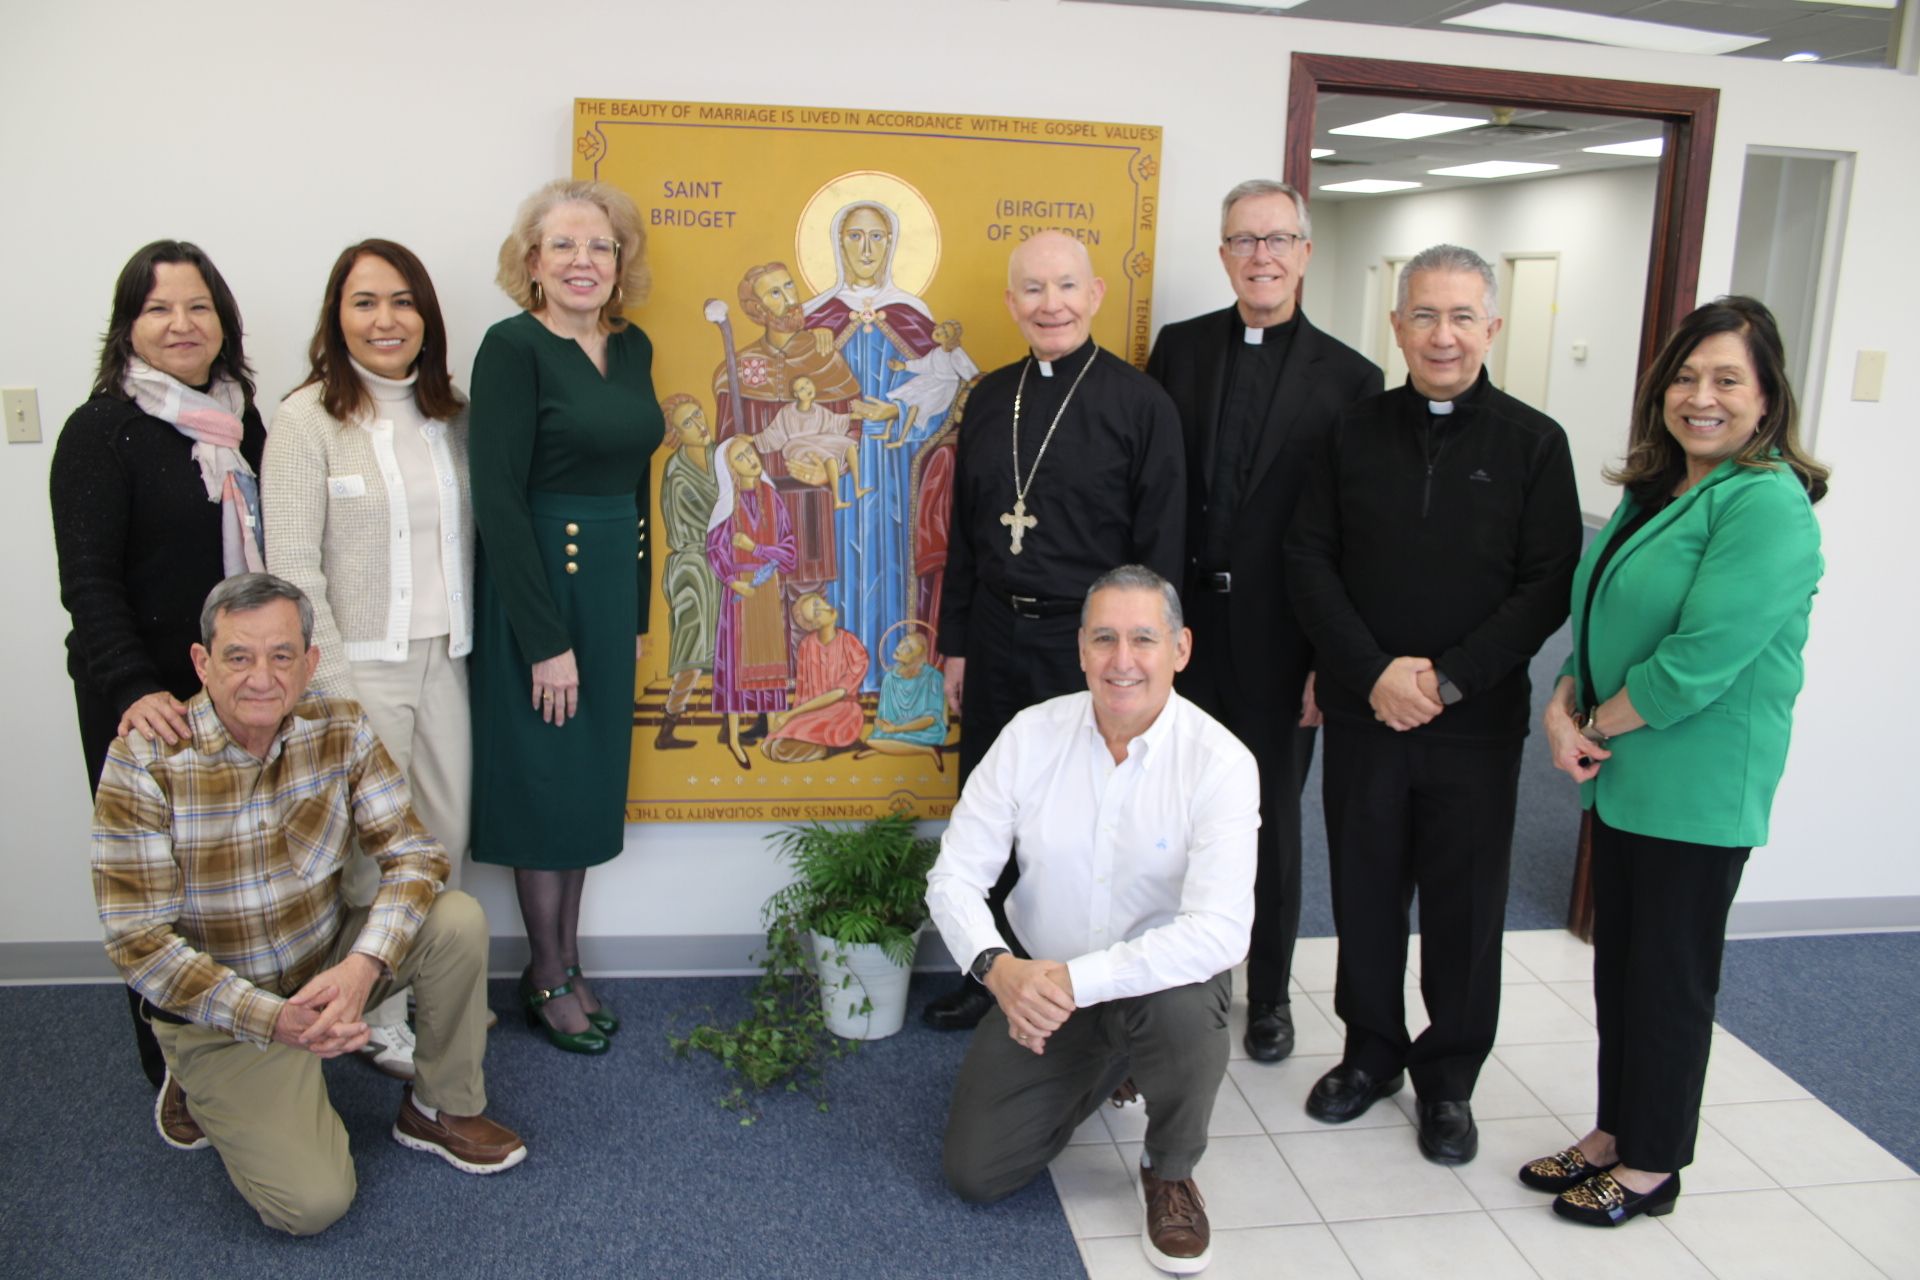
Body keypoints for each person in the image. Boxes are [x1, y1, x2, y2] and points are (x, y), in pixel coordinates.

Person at [92, 574, 523, 1236]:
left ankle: (440, 1110)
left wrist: (361, 970)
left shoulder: (340, 726)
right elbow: (138, 944)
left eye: (282, 655)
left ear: (310, 663)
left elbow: (416, 855)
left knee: (455, 919)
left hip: (322, 961)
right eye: (238, 656)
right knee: (313, 1205)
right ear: (202, 663)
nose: (261, 677)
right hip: (224, 1010)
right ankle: (198, 1081)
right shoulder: (144, 762)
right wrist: (275, 1021)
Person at [1521, 297, 1826, 1226]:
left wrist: (1593, 727)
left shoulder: (1768, 507)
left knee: (1669, 981)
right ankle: (1616, 1130)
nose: (1702, 397)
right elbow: (1607, 609)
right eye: (1686, 378)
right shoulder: (1667, 490)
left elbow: (1696, 660)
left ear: (1768, 399)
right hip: (1628, 780)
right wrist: (1564, 696)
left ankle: (1653, 1164)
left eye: (1728, 379)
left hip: (1695, 788)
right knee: (1624, 973)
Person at [1284, 244, 1581, 1165]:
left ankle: (1448, 1078)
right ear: (1396, 323)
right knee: (1367, 893)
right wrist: (1372, 673)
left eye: (1461, 317)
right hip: (1366, 715)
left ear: (1492, 327)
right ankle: (1370, 1053)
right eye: (1424, 315)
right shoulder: (1350, 431)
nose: (1442, 335)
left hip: (1475, 726)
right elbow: (1308, 560)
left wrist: (1447, 679)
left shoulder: (1535, 443)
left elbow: (1545, 586)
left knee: (1463, 908)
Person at [928, 566, 1257, 1276]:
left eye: (1144, 638)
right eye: (1104, 638)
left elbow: (1220, 932)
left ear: (1181, 648)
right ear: (1079, 650)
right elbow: (954, 875)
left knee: (1183, 1009)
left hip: (1157, 985)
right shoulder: (1029, 737)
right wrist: (998, 969)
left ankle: (1168, 1168)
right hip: (1044, 982)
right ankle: (1111, 1059)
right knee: (975, 1172)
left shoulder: (1222, 763)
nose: (1122, 660)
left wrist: (1075, 982)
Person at [924, 230, 1186, 1031]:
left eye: (1066, 287)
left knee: (1081, 817)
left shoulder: (1141, 404)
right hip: (998, 637)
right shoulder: (988, 396)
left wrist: (1140, 661)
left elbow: (1162, 547)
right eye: (1032, 290)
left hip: (1091, 650)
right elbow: (968, 537)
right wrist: (957, 643)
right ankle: (989, 969)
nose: (1051, 305)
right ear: (1011, 303)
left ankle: (1087, 980)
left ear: (1096, 294)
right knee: (993, 806)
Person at [1147, 179, 1382, 1063]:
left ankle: (1271, 993)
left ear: (1305, 254)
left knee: (1271, 822)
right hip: (1185, 629)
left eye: (1278, 239)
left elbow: (1354, 533)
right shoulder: (1179, 350)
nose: (1262, 256)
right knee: (1169, 811)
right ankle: (1174, 977)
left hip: (1285, 639)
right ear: (1223, 254)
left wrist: (1332, 658)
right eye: (1244, 241)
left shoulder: (1353, 378)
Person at [51, 239, 267, 1091]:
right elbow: (89, 580)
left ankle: (241, 1040)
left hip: (233, 690)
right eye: (157, 308)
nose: (181, 324)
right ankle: (171, 1068)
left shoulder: (241, 419)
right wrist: (138, 689)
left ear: (223, 322)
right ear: (127, 326)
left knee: (232, 878)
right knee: (158, 894)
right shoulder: (101, 428)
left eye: (198, 306)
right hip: (139, 696)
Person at [263, 239, 473, 1081]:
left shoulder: (449, 417)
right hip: (357, 671)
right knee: (368, 859)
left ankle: (429, 988)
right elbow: (291, 569)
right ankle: (372, 1014)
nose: (385, 320)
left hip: (445, 660)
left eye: (402, 301)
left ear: (426, 316)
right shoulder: (305, 419)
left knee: (446, 841)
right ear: (336, 317)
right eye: (364, 302)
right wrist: (336, 688)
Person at [469, 178, 664, 1054]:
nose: (584, 261)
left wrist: (633, 604)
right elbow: (499, 501)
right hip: (540, 586)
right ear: (532, 262)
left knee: (584, 783)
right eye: (564, 246)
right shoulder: (510, 348)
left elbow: (638, 483)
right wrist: (545, 640)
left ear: (620, 263)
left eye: (600, 246)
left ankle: (566, 959)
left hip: (606, 590)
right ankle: (544, 970)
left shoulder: (633, 348)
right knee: (545, 780)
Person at [706, 434, 798, 768]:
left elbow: (789, 551)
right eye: (741, 457)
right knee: (735, 662)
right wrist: (732, 581)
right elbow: (715, 548)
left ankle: (773, 724)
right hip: (741, 590)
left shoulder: (772, 497)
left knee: (771, 656)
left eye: (750, 451)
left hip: (767, 585)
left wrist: (756, 548)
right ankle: (732, 736)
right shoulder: (727, 504)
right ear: (730, 468)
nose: (750, 459)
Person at [655, 394, 722, 749]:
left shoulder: (719, 457)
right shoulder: (677, 473)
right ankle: (668, 727)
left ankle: (732, 722)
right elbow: (711, 517)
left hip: (723, 563)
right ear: (677, 434)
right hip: (694, 568)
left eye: (698, 415)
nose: (700, 425)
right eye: (688, 423)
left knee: (730, 645)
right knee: (693, 647)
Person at [762, 592, 870, 763]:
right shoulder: (807, 644)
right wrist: (796, 718)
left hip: (842, 713)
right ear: (814, 624)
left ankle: (832, 748)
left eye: (819, 602)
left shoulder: (851, 643)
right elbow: (803, 692)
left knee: (780, 749)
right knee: (768, 747)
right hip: (811, 711)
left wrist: (790, 715)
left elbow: (839, 693)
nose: (826, 607)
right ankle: (829, 746)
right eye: (817, 612)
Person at [753, 374, 871, 508]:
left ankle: (858, 489)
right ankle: (837, 500)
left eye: (808, 383)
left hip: (816, 440)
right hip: (796, 445)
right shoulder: (787, 411)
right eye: (802, 388)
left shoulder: (818, 409)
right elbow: (774, 434)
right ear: (796, 394)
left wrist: (851, 417)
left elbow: (834, 422)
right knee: (830, 459)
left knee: (850, 445)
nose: (807, 389)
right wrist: (753, 439)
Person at [855, 627, 948, 768]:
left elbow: (931, 718)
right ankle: (888, 748)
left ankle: (928, 749)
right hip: (896, 727)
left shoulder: (932, 677)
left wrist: (896, 730)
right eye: (904, 641)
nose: (901, 647)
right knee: (872, 740)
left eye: (909, 649)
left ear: (916, 657)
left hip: (926, 729)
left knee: (876, 742)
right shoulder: (890, 677)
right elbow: (885, 715)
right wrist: (889, 727)